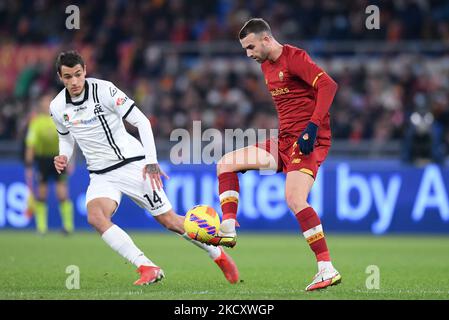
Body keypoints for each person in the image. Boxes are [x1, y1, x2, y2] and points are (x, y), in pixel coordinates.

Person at [50, 51, 238, 285]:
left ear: (85, 71)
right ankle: (146, 266)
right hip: (100, 173)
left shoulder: (104, 90)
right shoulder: (57, 106)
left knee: (170, 222)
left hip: (132, 164)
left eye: (78, 75)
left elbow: (141, 121)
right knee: (96, 217)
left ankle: (218, 254)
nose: (75, 81)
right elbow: (66, 138)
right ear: (60, 77)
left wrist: (151, 161)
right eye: (68, 77)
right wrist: (63, 156)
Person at [207, 18, 341, 291]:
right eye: (245, 49)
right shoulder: (266, 65)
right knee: (226, 164)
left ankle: (326, 268)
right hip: (284, 140)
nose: (249, 54)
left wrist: (313, 128)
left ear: (267, 39)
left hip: (308, 140)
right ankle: (229, 227)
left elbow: (328, 85)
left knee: (294, 198)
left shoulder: (294, 58)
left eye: (251, 47)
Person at [25, 93, 74, 235]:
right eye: (45, 101)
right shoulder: (37, 122)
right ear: (41, 105)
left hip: (60, 157)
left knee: (62, 193)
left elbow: (71, 139)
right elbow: (31, 145)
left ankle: (68, 227)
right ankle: (42, 228)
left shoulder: (62, 117)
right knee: (41, 193)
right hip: (43, 160)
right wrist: (29, 165)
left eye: (49, 101)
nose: (47, 104)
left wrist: (71, 160)